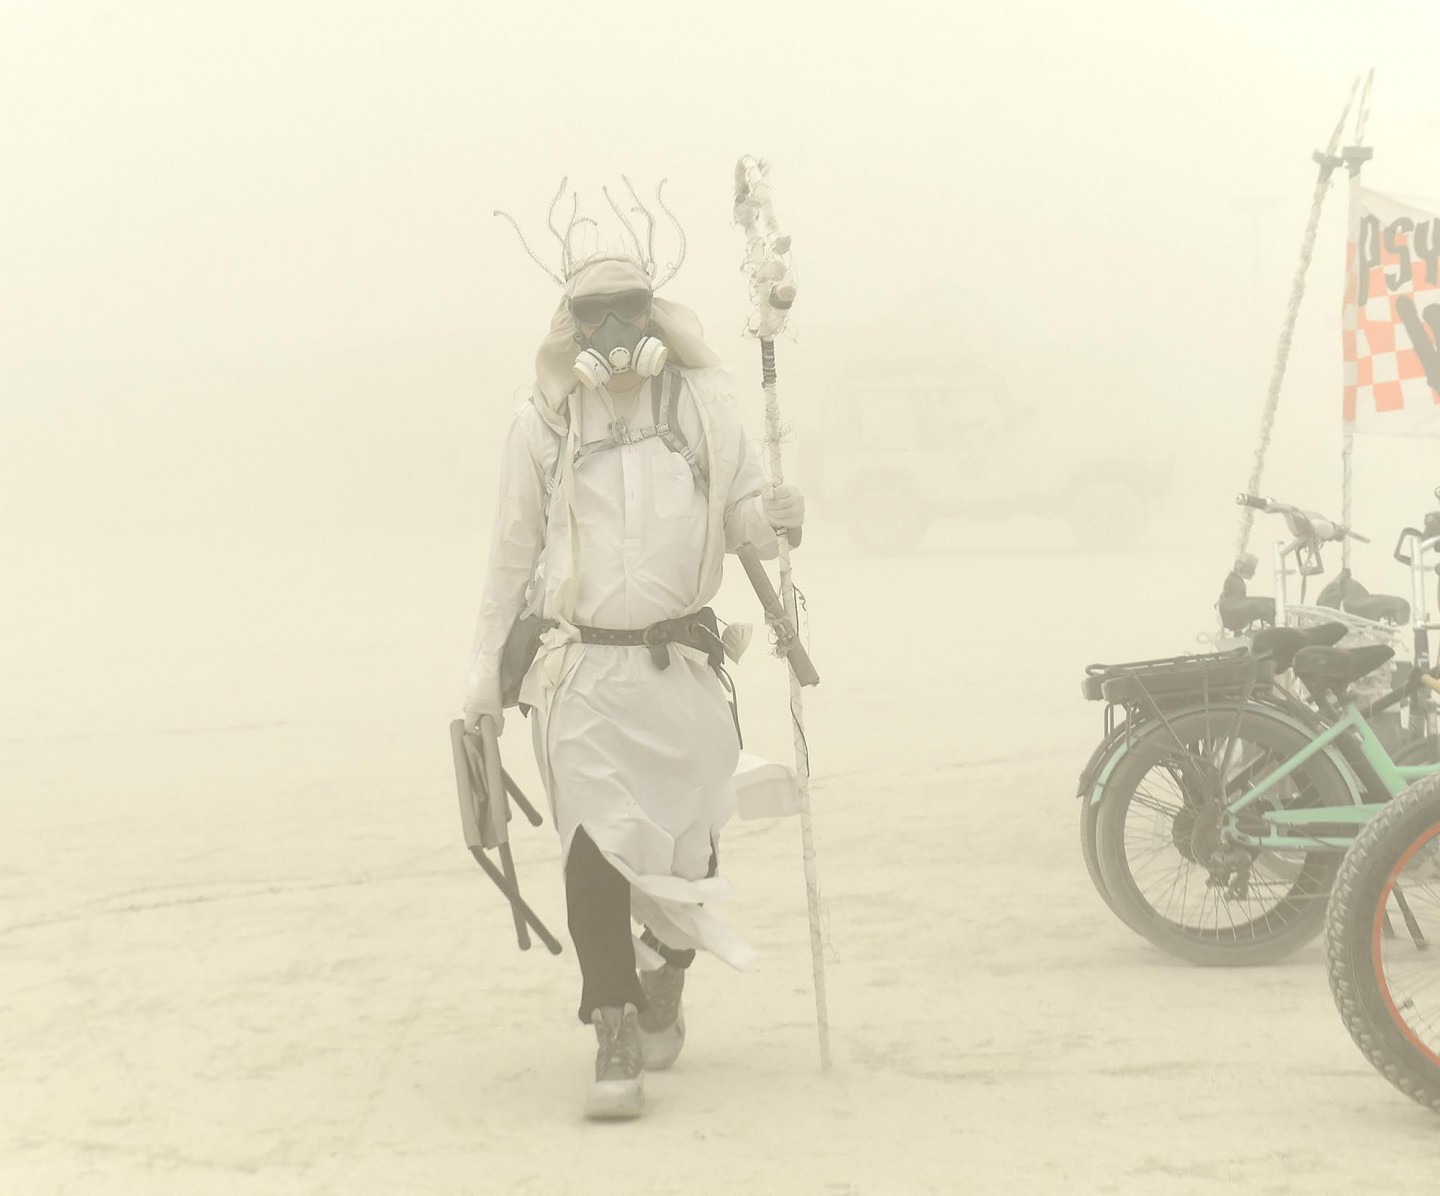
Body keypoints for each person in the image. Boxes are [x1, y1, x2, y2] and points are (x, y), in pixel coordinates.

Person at [461, 249, 804, 1120]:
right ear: (572, 327)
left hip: (680, 667)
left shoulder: (703, 405)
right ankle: (612, 1022)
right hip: (580, 675)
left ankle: (665, 963)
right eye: (595, 314)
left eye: (629, 309)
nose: (614, 330)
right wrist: (482, 680)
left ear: (653, 315)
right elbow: (510, 557)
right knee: (593, 847)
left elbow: (745, 522)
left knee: (692, 848)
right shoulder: (541, 425)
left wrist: (775, 519)